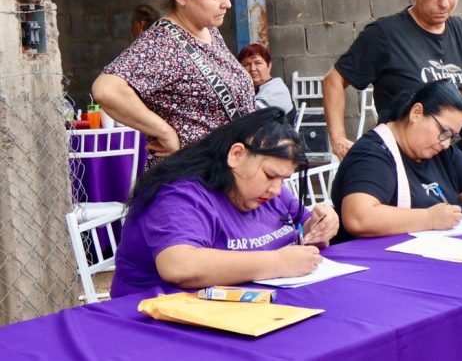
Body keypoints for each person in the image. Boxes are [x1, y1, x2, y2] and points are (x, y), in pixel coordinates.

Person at [111, 108, 339, 297]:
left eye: (283, 179)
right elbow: (179, 266)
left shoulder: (267, 192)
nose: (277, 189)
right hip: (158, 323)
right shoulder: (179, 194)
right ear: (237, 155)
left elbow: (304, 224)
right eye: (270, 175)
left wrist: (320, 225)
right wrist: (276, 262)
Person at [322, 0, 462, 160]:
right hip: (406, 160)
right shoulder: (385, 34)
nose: (444, 2)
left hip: (458, 159)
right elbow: (334, 80)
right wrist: (339, 139)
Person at [92, 0, 255, 166]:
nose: (227, 3)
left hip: (227, 171)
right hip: (193, 179)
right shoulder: (162, 42)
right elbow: (106, 89)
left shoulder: (209, 31)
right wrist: (165, 132)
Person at [330, 80, 462, 240]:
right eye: (444, 131)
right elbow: (358, 218)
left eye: (453, 137)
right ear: (416, 113)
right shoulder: (374, 153)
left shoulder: (442, 151)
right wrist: (429, 218)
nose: (446, 143)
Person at [237, 43, 294, 115]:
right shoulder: (251, 89)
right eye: (247, 65)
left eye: (258, 63)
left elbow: (249, 115)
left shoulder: (276, 90)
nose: (252, 69)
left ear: (269, 66)